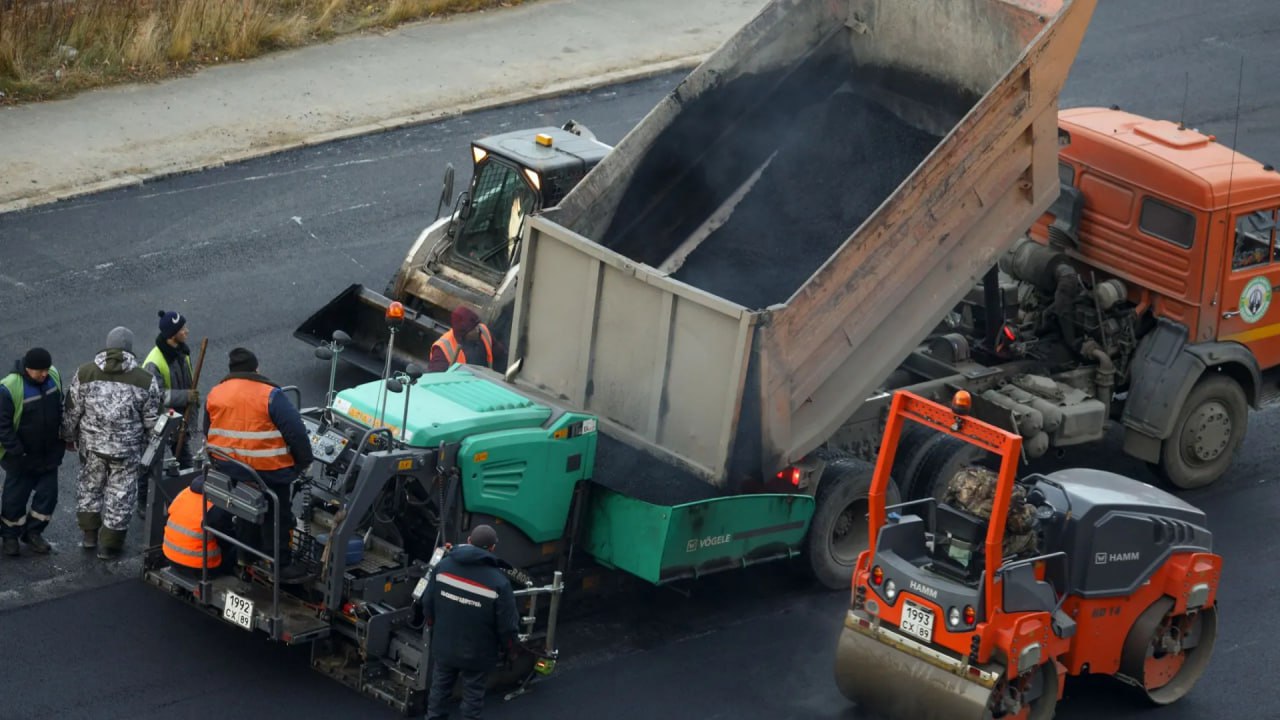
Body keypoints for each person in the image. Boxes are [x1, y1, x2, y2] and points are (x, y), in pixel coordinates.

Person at [203, 347, 314, 581]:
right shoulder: (270, 395)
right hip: (268, 471)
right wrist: (303, 463)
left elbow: (207, 430)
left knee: (244, 508)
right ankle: (280, 565)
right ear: (255, 368)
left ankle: (245, 556)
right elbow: (296, 432)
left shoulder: (216, 393)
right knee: (278, 514)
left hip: (229, 467)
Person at [61, 327, 163, 559]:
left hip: (92, 447)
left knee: (89, 487)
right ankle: (110, 544)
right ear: (129, 349)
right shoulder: (145, 380)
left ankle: (89, 535)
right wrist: (152, 448)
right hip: (126, 451)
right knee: (121, 494)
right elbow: (152, 421)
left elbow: (72, 410)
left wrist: (68, 437)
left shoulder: (85, 373)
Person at [419, 524, 519, 720]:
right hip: (477, 653)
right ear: (492, 548)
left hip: (445, 645)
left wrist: (433, 627)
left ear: (469, 541)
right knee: (472, 697)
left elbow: (427, 602)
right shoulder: (499, 583)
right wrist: (509, 647)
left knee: (439, 690)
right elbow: (507, 625)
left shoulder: (443, 567)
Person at [0, 348, 66, 557]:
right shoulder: (9, 388)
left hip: (48, 454)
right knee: (14, 499)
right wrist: (18, 453)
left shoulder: (53, 377)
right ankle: (10, 537)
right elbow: (3, 427)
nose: (44, 374)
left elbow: (60, 408)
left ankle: (33, 533)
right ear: (28, 369)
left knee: (48, 497)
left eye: (46, 369)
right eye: (40, 371)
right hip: (21, 458)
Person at [141, 309, 199, 510]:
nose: (187, 331)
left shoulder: (182, 352)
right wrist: (186, 397)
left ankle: (185, 500)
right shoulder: (154, 362)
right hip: (160, 420)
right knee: (151, 463)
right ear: (172, 334)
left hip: (180, 418)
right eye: (183, 329)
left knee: (185, 461)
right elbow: (155, 396)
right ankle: (143, 502)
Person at [942, 466, 1038, 557]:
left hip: (952, 536)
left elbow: (946, 501)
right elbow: (1019, 527)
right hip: (984, 548)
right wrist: (1031, 508)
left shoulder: (964, 474)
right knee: (1030, 535)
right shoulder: (1013, 492)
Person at [163, 473, 233, 577]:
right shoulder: (216, 505)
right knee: (238, 548)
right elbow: (226, 540)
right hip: (200, 568)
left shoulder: (184, 493)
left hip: (170, 557)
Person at [428, 306, 497, 373]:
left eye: (477, 325)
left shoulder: (483, 331)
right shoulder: (442, 350)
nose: (477, 330)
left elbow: (500, 355)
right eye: (473, 329)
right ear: (464, 333)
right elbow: (434, 377)